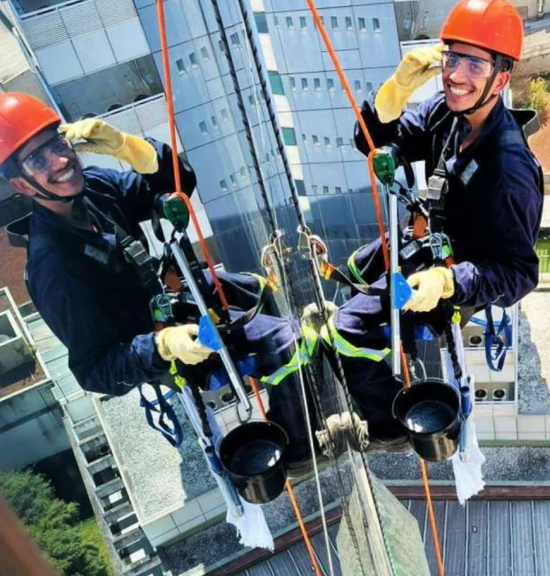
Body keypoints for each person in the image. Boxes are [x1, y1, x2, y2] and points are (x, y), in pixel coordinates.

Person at [0, 92, 316, 468]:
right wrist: (163, 345)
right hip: (163, 347)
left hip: (169, 298)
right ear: (22, 185)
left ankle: (304, 373)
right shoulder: (55, 268)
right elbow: (94, 370)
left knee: (257, 288)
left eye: (57, 142)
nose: (61, 160)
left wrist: (129, 148)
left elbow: (178, 184)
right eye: (38, 158)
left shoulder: (95, 189)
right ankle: (298, 451)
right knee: (286, 340)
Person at [327, 0, 544, 444]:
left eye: (474, 65)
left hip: (459, 276)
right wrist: (397, 89)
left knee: (345, 331)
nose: (455, 76)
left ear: (501, 79)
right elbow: (377, 143)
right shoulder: (449, 113)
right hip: (432, 242)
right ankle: (380, 339)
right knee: (354, 272)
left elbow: (519, 272)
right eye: (452, 58)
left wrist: (448, 283)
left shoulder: (508, 169)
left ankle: (388, 425)